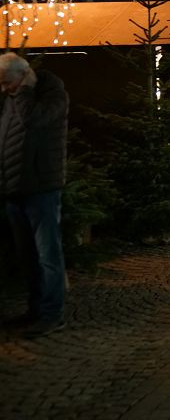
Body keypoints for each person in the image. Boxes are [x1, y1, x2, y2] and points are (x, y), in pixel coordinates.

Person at [0, 53, 69, 338]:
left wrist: (25, 89)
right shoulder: (11, 96)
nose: (5, 89)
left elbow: (31, 121)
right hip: (13, 188)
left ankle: (52, 313)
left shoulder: (49, 94)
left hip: (41, 187)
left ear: (23, 76)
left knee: (47, 255)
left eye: (8, 83)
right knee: (27, 255)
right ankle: (35, 308)